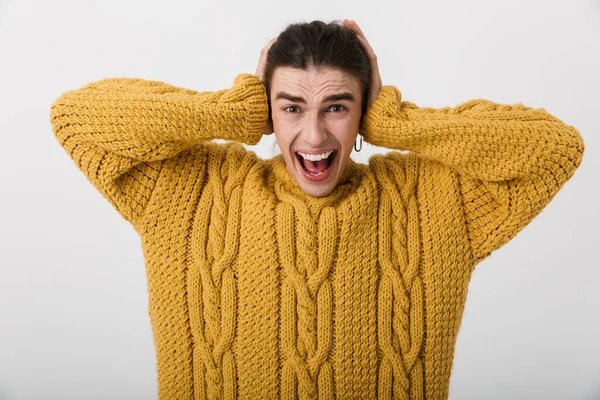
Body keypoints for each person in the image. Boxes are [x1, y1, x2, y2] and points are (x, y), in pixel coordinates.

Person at [49, 19, 584, 400]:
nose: (313, 134)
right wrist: (231, 110)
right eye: (291, 107)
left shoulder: (429, 204)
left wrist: (396, 122)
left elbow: (554, 147)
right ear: (267, 111)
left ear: (362, 113)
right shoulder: (191, 193)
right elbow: (76, 118)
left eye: (337, 107)